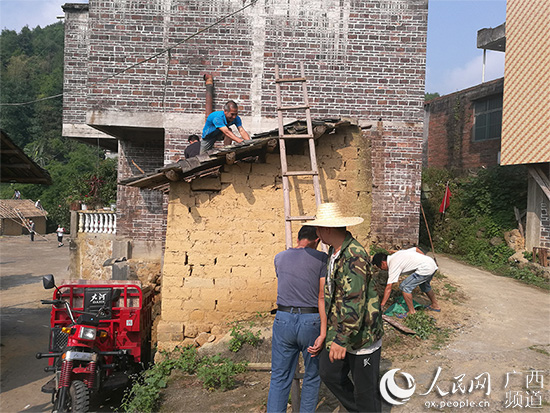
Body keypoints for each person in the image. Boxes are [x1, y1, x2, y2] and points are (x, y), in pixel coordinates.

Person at [309, 203, 384, 413]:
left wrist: (341, 339)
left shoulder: (354, 256)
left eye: (318, 228)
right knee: (329, 373)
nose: (317, 232)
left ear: (327, 229)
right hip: (341, 331)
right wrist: (329, 334)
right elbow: (331, 296)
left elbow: (354, 301)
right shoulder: (335, 252)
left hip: (362, 337)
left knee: (365, 391)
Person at [267, 226, 328, 413]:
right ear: (316, 240)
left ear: (299, 238)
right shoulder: (321, 259)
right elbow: (322, 296)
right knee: (312, 375)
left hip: (283, 318)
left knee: (279, 377)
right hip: (311, 321)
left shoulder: (279, 257)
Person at [372, 248, 441, 318]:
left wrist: (382, 305)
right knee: (424, 285)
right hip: (431, 263)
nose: (381, 269)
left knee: (405, 287)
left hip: (425, 269)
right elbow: (416, 249)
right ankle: (435, 305)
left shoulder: (393, 264)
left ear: (383, 263)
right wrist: (423, 260)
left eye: (380, 267)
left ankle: (412, 312)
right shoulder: (397, 254)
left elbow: (389, 287)